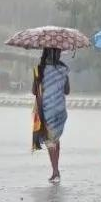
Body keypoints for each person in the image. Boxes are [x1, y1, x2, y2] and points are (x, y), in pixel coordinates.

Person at [32, 47, 70, 183]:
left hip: (47, 107)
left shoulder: (40, 69)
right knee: (55, 139)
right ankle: (56, 169)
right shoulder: (63, 68)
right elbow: (67, 91)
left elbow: (34, 91)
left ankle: (55, 171)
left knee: (50, 141)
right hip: (60, 108)